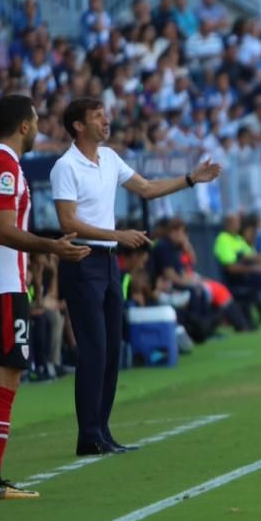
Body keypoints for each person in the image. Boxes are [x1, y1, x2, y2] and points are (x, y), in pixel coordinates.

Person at [51, 97, 220, 456]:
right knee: (94, 349)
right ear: (78, 125)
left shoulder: (109, 158)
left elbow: (146, 188)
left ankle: (102, 431)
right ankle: (88, 434)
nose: (106, 121)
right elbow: (67, 222)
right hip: (82, 260)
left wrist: (192, 179)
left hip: (109, 262)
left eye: (105, 115)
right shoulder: (66, 166)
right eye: (97, 116)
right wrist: (118, 235)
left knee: (112, 348)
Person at [0, 94, 90, 501]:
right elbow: (5, 230)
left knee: (1, 380)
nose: (38, 129)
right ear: (23, 126)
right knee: (6, 380)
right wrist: (53, 247)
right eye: (35, 122)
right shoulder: (4, 167)